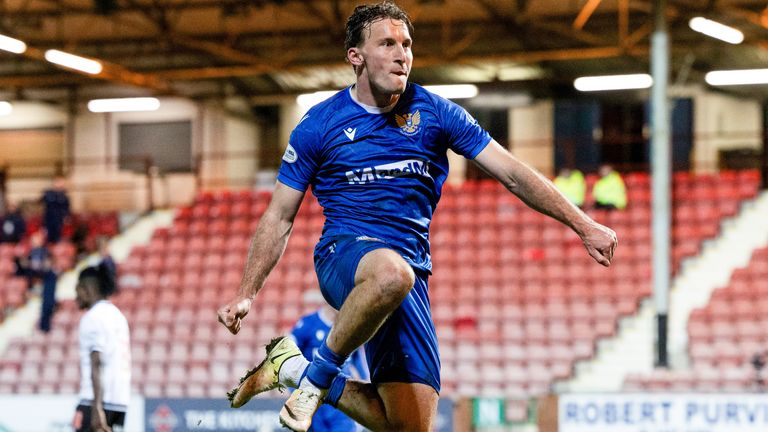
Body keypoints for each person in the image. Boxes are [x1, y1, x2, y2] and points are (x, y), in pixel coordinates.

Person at [218, 2, 618, 431]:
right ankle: (314, 383)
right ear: (356, 56)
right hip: (343, 256)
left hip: (410, 274)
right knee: (391, 274)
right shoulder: (319, 125)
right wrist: (246, 293)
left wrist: (584, 224)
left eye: (406, 44)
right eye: (387, 44)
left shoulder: (436, 113)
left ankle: (292, 369)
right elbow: (279, 216)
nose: (401, 55)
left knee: (408, 425)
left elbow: (513, 173)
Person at [288, 292, 368, 432]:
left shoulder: (351, 327)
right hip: (313, 401)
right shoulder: (308, 324)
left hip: (342, 401)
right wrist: (293, 390)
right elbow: (288, 355)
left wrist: (365, 393)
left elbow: (356, 362)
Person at [73, 262, 130, 432]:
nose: (76, 297)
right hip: (119, 402)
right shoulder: (118, 316)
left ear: (87, 288)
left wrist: (96, 407)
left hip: (95, 402)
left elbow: (97, 362)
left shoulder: (92, 318)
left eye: (77, 290)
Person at [41, 175, 70, 243]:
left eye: (62, 183)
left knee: (58, 238)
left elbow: (66, 208)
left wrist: (66, 217)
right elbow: (43, 202)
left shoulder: (64, 196)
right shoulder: (48, 193)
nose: (61, 184)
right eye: (59, 182)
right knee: (48, 238)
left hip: (59, 221)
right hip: (49, 219)